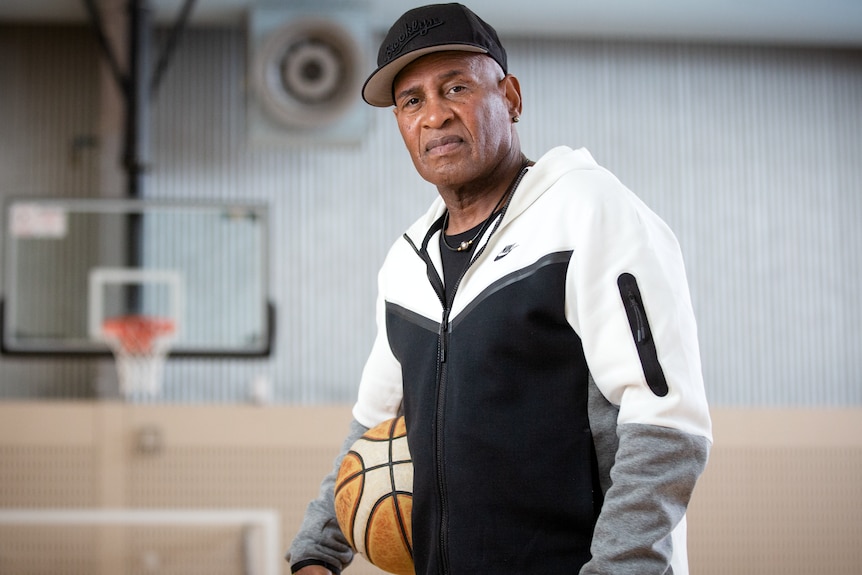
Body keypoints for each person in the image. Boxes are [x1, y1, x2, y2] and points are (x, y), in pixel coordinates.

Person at [287, 3, 712, 574]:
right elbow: (372, 429)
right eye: (411, 101)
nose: (433, 115)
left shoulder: (587, 212)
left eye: (455, 87)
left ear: (510, 97)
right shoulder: (407, 265)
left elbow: (667, 422)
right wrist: (316, 552)